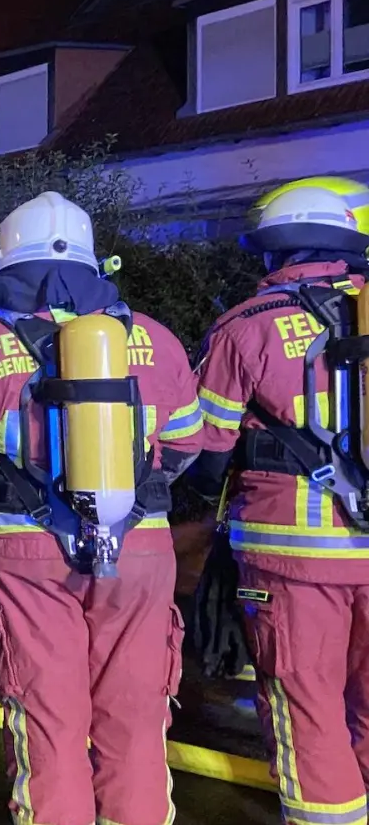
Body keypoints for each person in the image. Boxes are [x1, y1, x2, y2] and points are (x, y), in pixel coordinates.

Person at [0, 191, 202, 825]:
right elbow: (187, 445)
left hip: (27, 556)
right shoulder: (154, 339)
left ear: (7, 264)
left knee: (48, 726)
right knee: (135, 724)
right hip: (140, 551)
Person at [190, 178, 369, 825]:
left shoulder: (246, 326)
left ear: (276, 251)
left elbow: (206, 448)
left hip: (293, 552)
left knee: (305, 700)